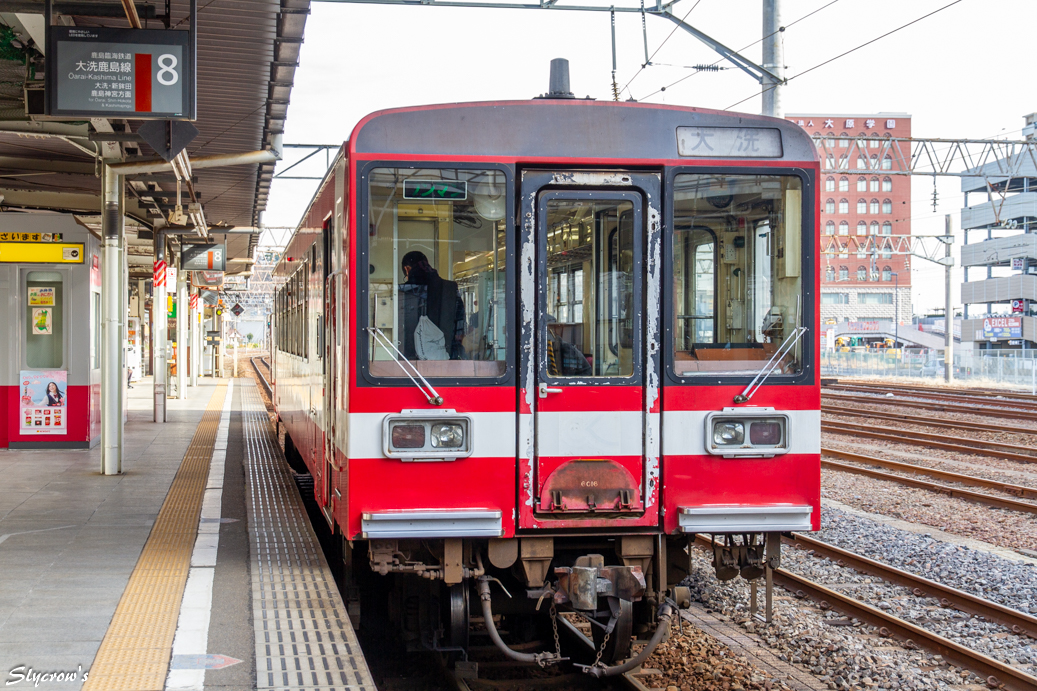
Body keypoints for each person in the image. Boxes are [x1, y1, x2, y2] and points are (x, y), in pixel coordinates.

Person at [398, 251, 465, 360]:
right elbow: (460, 325)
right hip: (446, 356)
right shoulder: (450, 288)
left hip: (408, 357)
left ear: (407, 269)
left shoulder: (402, 292)